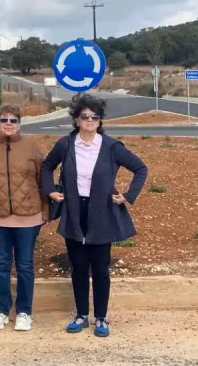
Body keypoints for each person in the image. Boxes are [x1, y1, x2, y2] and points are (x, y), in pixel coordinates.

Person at [41, 93, 147, 338]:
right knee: (78, 267)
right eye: (85, 116)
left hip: (102, 213)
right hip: (74, 211)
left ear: (100, 121)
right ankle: (81, 315)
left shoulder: (111, 146)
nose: (89, 120)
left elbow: (140, 168)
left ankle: (101, 317)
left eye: (94, 117)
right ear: (76, 120)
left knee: (100, 269)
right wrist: (50, 191)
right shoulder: (66, 144)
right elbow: (46, 167)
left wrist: (128, 195)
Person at [0, 103, 47, 332]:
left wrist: (46, 210)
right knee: (1, 263)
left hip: (29, 217)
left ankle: (24, 311)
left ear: (19, 124)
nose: (8, 124)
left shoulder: (31, 147)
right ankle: (1, 310)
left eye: (13, 120)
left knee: (25, 265)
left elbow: (43, 180)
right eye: (4, 120)